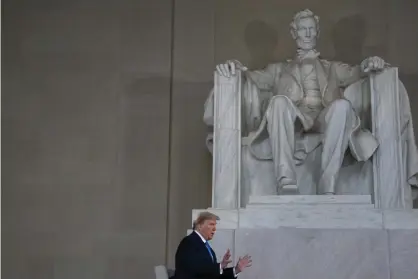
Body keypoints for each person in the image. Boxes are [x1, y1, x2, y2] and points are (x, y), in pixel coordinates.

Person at [214, 9, 386, 194]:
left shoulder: (332, 68)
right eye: (303, 29)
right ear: (294, 33)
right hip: (295, 119)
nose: (308, 33)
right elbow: (250, 77)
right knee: (279, 101)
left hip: (324, 117)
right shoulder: (279, 70)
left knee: (342, 106)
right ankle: (286, 179)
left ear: (317, 32)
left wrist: (371, 63)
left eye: (312, 29)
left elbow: (357, 72)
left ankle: (328, 183)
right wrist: (234, 67)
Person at [172, 212, 252, 279]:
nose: (214, 229)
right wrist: (220, 266)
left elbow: (213, 275)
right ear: (200, 226)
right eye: (211, 224)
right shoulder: (189, 242)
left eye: (215, 225)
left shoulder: (206, 246)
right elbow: (197, 269)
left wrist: (236, 270)